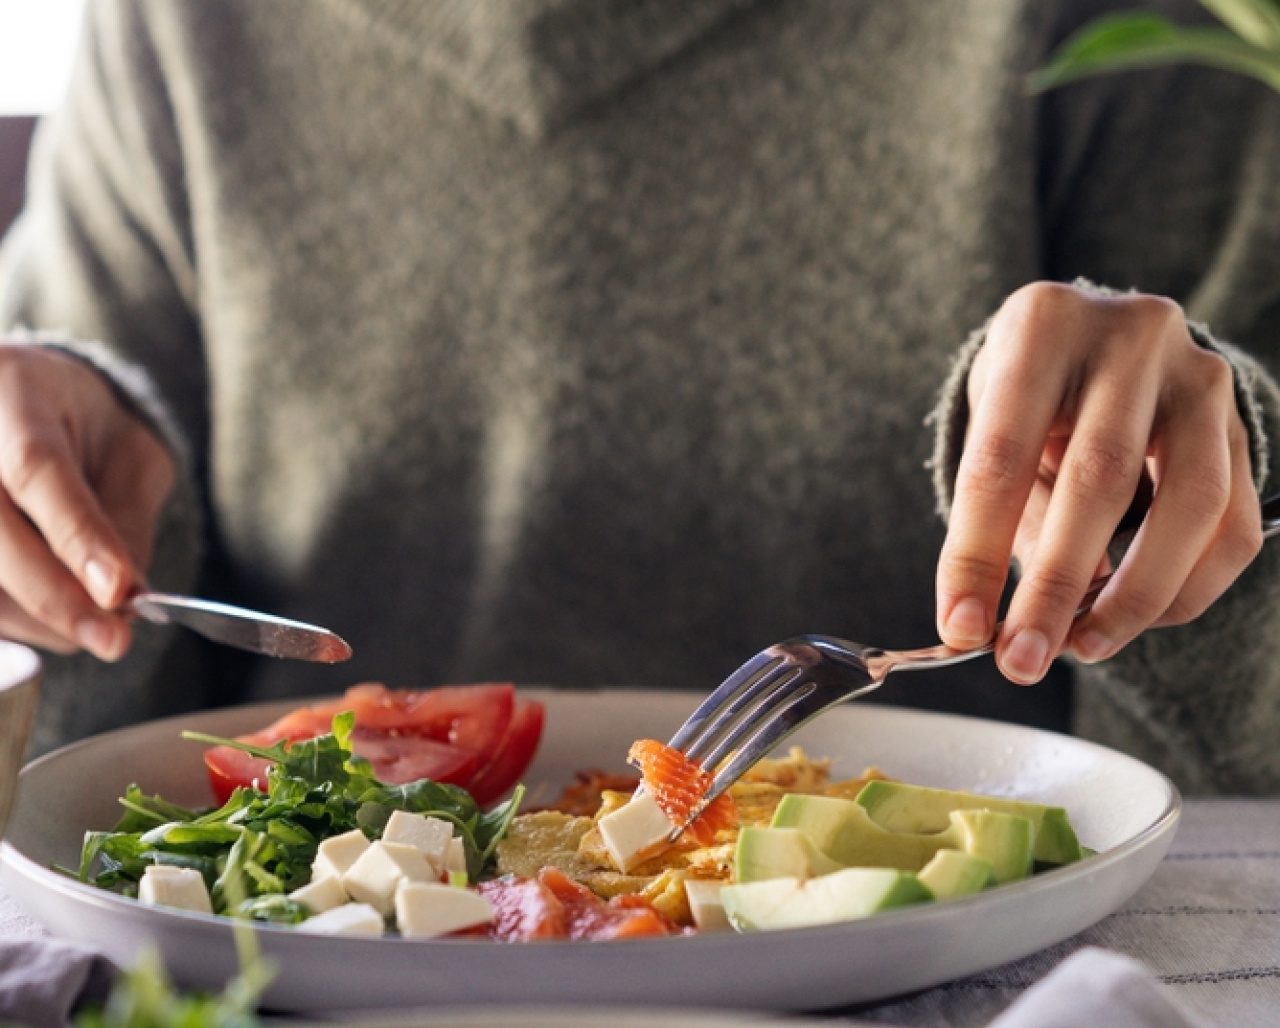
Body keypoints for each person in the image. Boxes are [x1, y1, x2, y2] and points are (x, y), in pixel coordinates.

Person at [0, 0, 1277, 792]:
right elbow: (71, 752)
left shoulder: (1137, 29)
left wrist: (1191, 496)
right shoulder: (175, 24)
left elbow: (1231, 794)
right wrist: (68, 559)